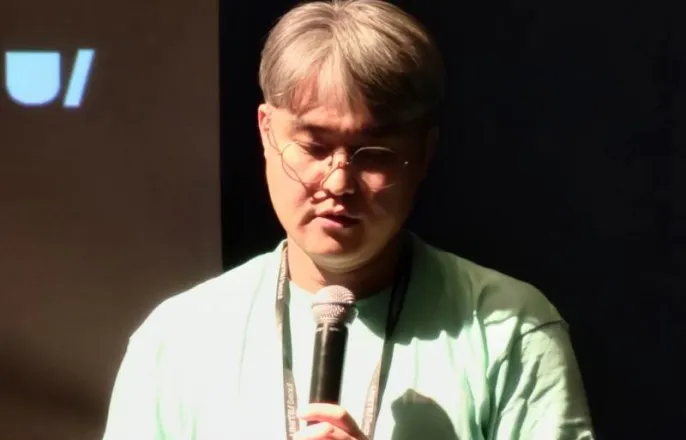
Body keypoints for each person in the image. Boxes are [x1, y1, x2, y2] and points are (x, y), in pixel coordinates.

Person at [102, 0, 595, 439]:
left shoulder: (508, 328)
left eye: (374, 154)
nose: (338, 183)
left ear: (425, 154)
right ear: (266, 132)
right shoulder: (177, 340)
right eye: (314, 147)